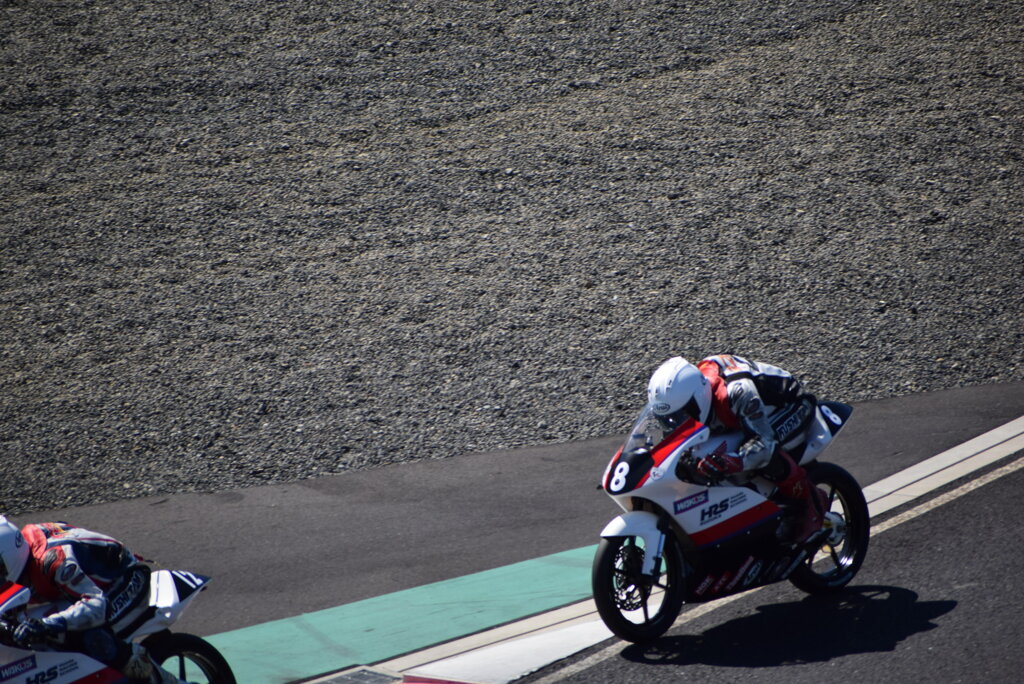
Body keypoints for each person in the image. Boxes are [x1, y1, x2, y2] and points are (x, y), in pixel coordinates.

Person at [646, 354, 828, 544]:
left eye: (681, 416)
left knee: (762, 453)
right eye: (667, 419)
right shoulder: (681, 398)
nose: (675, 424)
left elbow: (763, 443)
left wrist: (734, 460)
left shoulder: (737, 391)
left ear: (698, 399)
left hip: (789, 406)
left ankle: (808, 504)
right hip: (741, 419)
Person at [0, 517, 187, 684]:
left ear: (8, 558)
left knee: (89, 636)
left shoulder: (54, 561)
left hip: (124, 580)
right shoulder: (18, 559)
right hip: (79, 592)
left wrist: (47, 624)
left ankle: (163, 679)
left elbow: (96, 606)